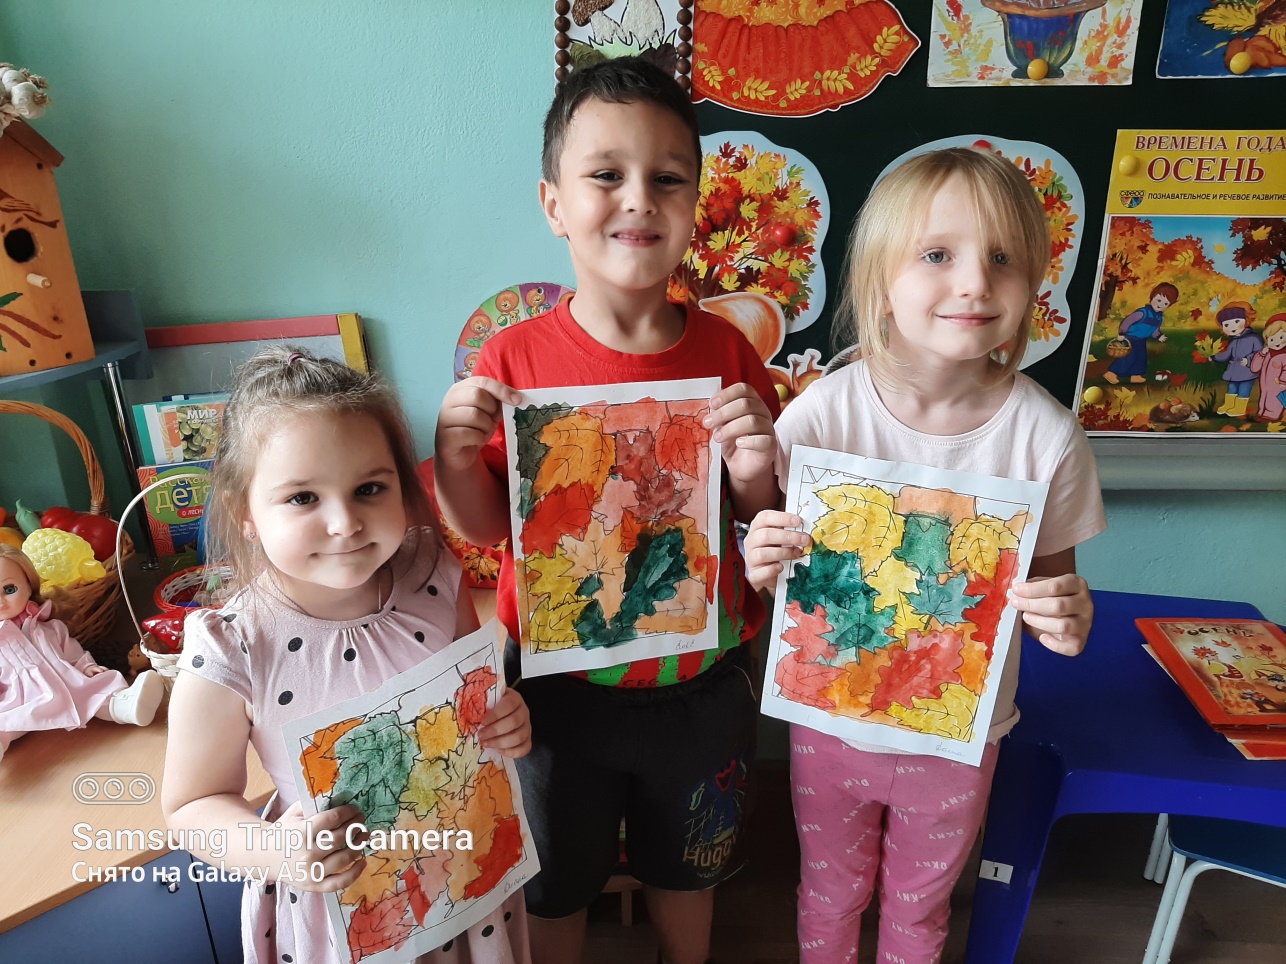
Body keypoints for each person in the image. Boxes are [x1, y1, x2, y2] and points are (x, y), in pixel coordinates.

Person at [433, 57, 779, 964]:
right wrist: (456, 457)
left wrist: (755, 471)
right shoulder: (512, 360)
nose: (639, 199)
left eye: (668, 178)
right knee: (556, 880)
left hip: (702, 683)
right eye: (606, 174)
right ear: (554, 204)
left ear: (695, 202)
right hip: (557, 694)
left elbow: (762, 520)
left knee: (689, 868)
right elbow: (486, 527)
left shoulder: (729, 353)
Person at [744, 147, 1107, 964]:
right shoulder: (822, 415)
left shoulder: (1048, 439)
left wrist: (1068, 618)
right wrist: (762, 559)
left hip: (957, 736)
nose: (975, 282)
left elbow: (1055, 595)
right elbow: (781, 563)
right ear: (882, 283)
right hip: (829, 725)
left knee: (920, 909)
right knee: (829, 895)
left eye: (1003, 258)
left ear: (1034, 284)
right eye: (938, 255)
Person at [162, 347, 532, 964]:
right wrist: (276, 850)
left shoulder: (433, 573)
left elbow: (478, 698)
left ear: (402, 489)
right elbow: (190, 807)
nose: (344, 523)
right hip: (344, 911)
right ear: (244, 513)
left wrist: (506, 717)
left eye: (369, 489)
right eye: (302, 498)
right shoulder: (233, 644)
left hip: (465, 881)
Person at [0, 544, 163, 761]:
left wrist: (86, 666)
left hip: (64, 681)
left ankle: (125, 706)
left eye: (9, 589)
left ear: (29, 586)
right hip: (20, 697)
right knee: (6, 721)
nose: (1, 602)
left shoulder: (49, 627)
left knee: (94, 689)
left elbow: (71, 652)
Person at [1103, 282, 1176, 385]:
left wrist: (1158, 336)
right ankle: (1111, 373)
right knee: (1128, 357)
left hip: (1141, 340)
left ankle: (1135, 375)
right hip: (1131, 338)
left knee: (1141, 357)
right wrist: (1122, 333)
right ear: (1152, 298)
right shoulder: (1142, 313)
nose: (1160, 305)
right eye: (1159, 300)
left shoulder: (1158, 317)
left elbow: (1154, 329)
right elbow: (1127, 321)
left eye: (1165, 303)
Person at [1213, 301, 1265, 418]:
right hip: (1234, 370)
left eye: (1237, 322)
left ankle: (1240, 408)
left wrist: (1249, 360)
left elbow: (1260, 353)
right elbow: (1226, 354)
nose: (1232, 327)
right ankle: (1229, 405)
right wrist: (1214, 357)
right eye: (1227, 325)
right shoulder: (1234, 341)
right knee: (1232, 387)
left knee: (1244, 388)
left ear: (1247, 320)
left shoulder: (1254, 338)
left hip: (1247, 371)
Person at [1250, 314, 1286, 422]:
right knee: (1265, 396)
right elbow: (1254, 368)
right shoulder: (1268, 354)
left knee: (1275, 400)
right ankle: (1262, 412)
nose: (1277, 342)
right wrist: (1261, 354)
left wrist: (1283, 382)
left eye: (1281, 337)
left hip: (1280, 385)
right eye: (1272, 339)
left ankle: (1272, 415)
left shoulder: (1284, 356)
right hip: (1265, 384)